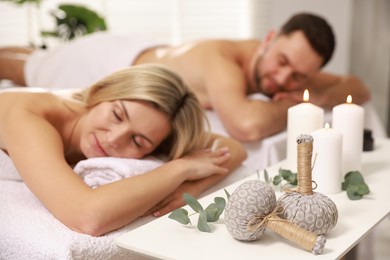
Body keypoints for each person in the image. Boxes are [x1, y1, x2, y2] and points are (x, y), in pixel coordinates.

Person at [0, 12, 370, 142]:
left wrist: (312, 91)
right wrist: (315, 100)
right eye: (282, 61)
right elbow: (247, 125)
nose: (282, 77)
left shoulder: (288, 72)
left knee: (35, 57)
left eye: (299, 75)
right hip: (108, 62)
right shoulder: (222, 60)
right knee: (24, 67)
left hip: (151, 51)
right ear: (269, 39)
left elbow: (357, 86)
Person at [0, 64, 247, 236]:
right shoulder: (30, 116)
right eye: (117, 114)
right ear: (100, 92)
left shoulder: (153, 126)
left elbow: (234, 149)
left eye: (138, 141)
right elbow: (87, 217)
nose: (114, 139)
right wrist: (180, 169)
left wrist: (190, 189)